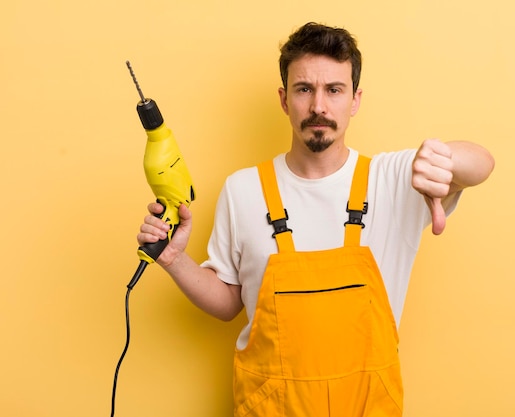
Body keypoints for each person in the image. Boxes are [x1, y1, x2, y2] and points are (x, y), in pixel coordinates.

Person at [138, 22, 494, 417]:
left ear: (355, 99)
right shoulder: (243, 190)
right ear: (284, 98)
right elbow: (228, 303)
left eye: (334, 90)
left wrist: (445, 159)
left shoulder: (391, 179)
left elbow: (481, 164)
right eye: (304, 89)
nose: (318, 106)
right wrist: (173, 259)